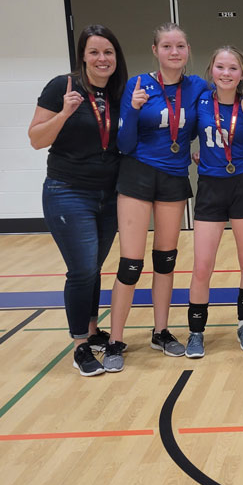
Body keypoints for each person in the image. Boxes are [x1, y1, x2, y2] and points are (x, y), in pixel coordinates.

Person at [103, 22, 206, 372]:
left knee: (166, 260)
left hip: (174, 178)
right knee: (130, 264)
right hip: (137, 175)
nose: (174, 52)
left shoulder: (197, 87)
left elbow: (230, 97)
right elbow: (124, 144)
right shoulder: (138, 84)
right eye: (167, 46)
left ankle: (160, 331)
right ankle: (116, 340)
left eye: (180, 46)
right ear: (155, 50)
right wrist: (131, 109)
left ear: (188, 50)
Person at [28, 24, 128, 376]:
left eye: (108, 52)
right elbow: (36, 139)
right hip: (68, 191)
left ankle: (91, 330)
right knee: (82, 270)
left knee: (94, 267)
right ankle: (79, 346)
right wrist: (65, 113)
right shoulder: (63, 87)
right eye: (95, 52)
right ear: (82, 57)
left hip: (110, 194)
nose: (102, 59)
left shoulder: (119, 92)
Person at [184, 46, 243, 358]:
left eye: (233, 68)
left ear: (242, 73)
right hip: (210, 188)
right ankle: (196, 331)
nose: (226, 73)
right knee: (202, 266)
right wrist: (197, 153)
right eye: (220, 67)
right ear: (211, 71)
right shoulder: (200, 99)